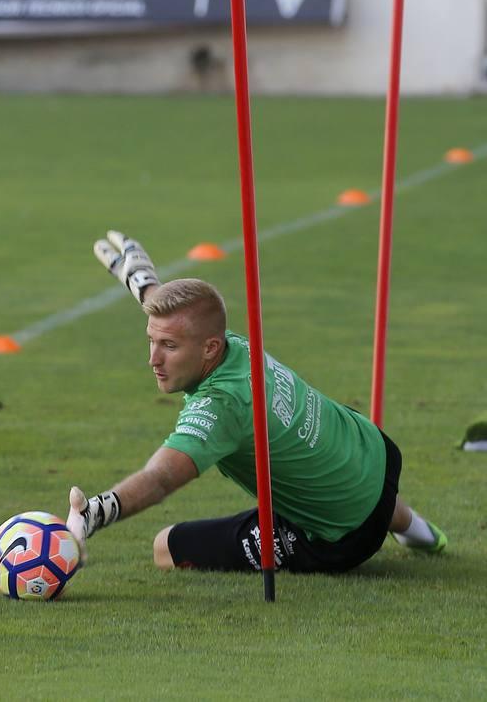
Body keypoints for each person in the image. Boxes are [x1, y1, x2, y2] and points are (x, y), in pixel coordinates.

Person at [67, 231, 447, 573]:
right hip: (375, 453)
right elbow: (175, 316)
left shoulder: (220, 405)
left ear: (209, 348)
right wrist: (142, 281)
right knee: (343, 482)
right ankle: (416, 529)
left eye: (168, 346)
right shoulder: (229, 344)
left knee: (165, 547)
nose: (153, 358)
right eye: (152, 341)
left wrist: (97, 512)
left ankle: (384, 524)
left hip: (341, 539)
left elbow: (161, 478)